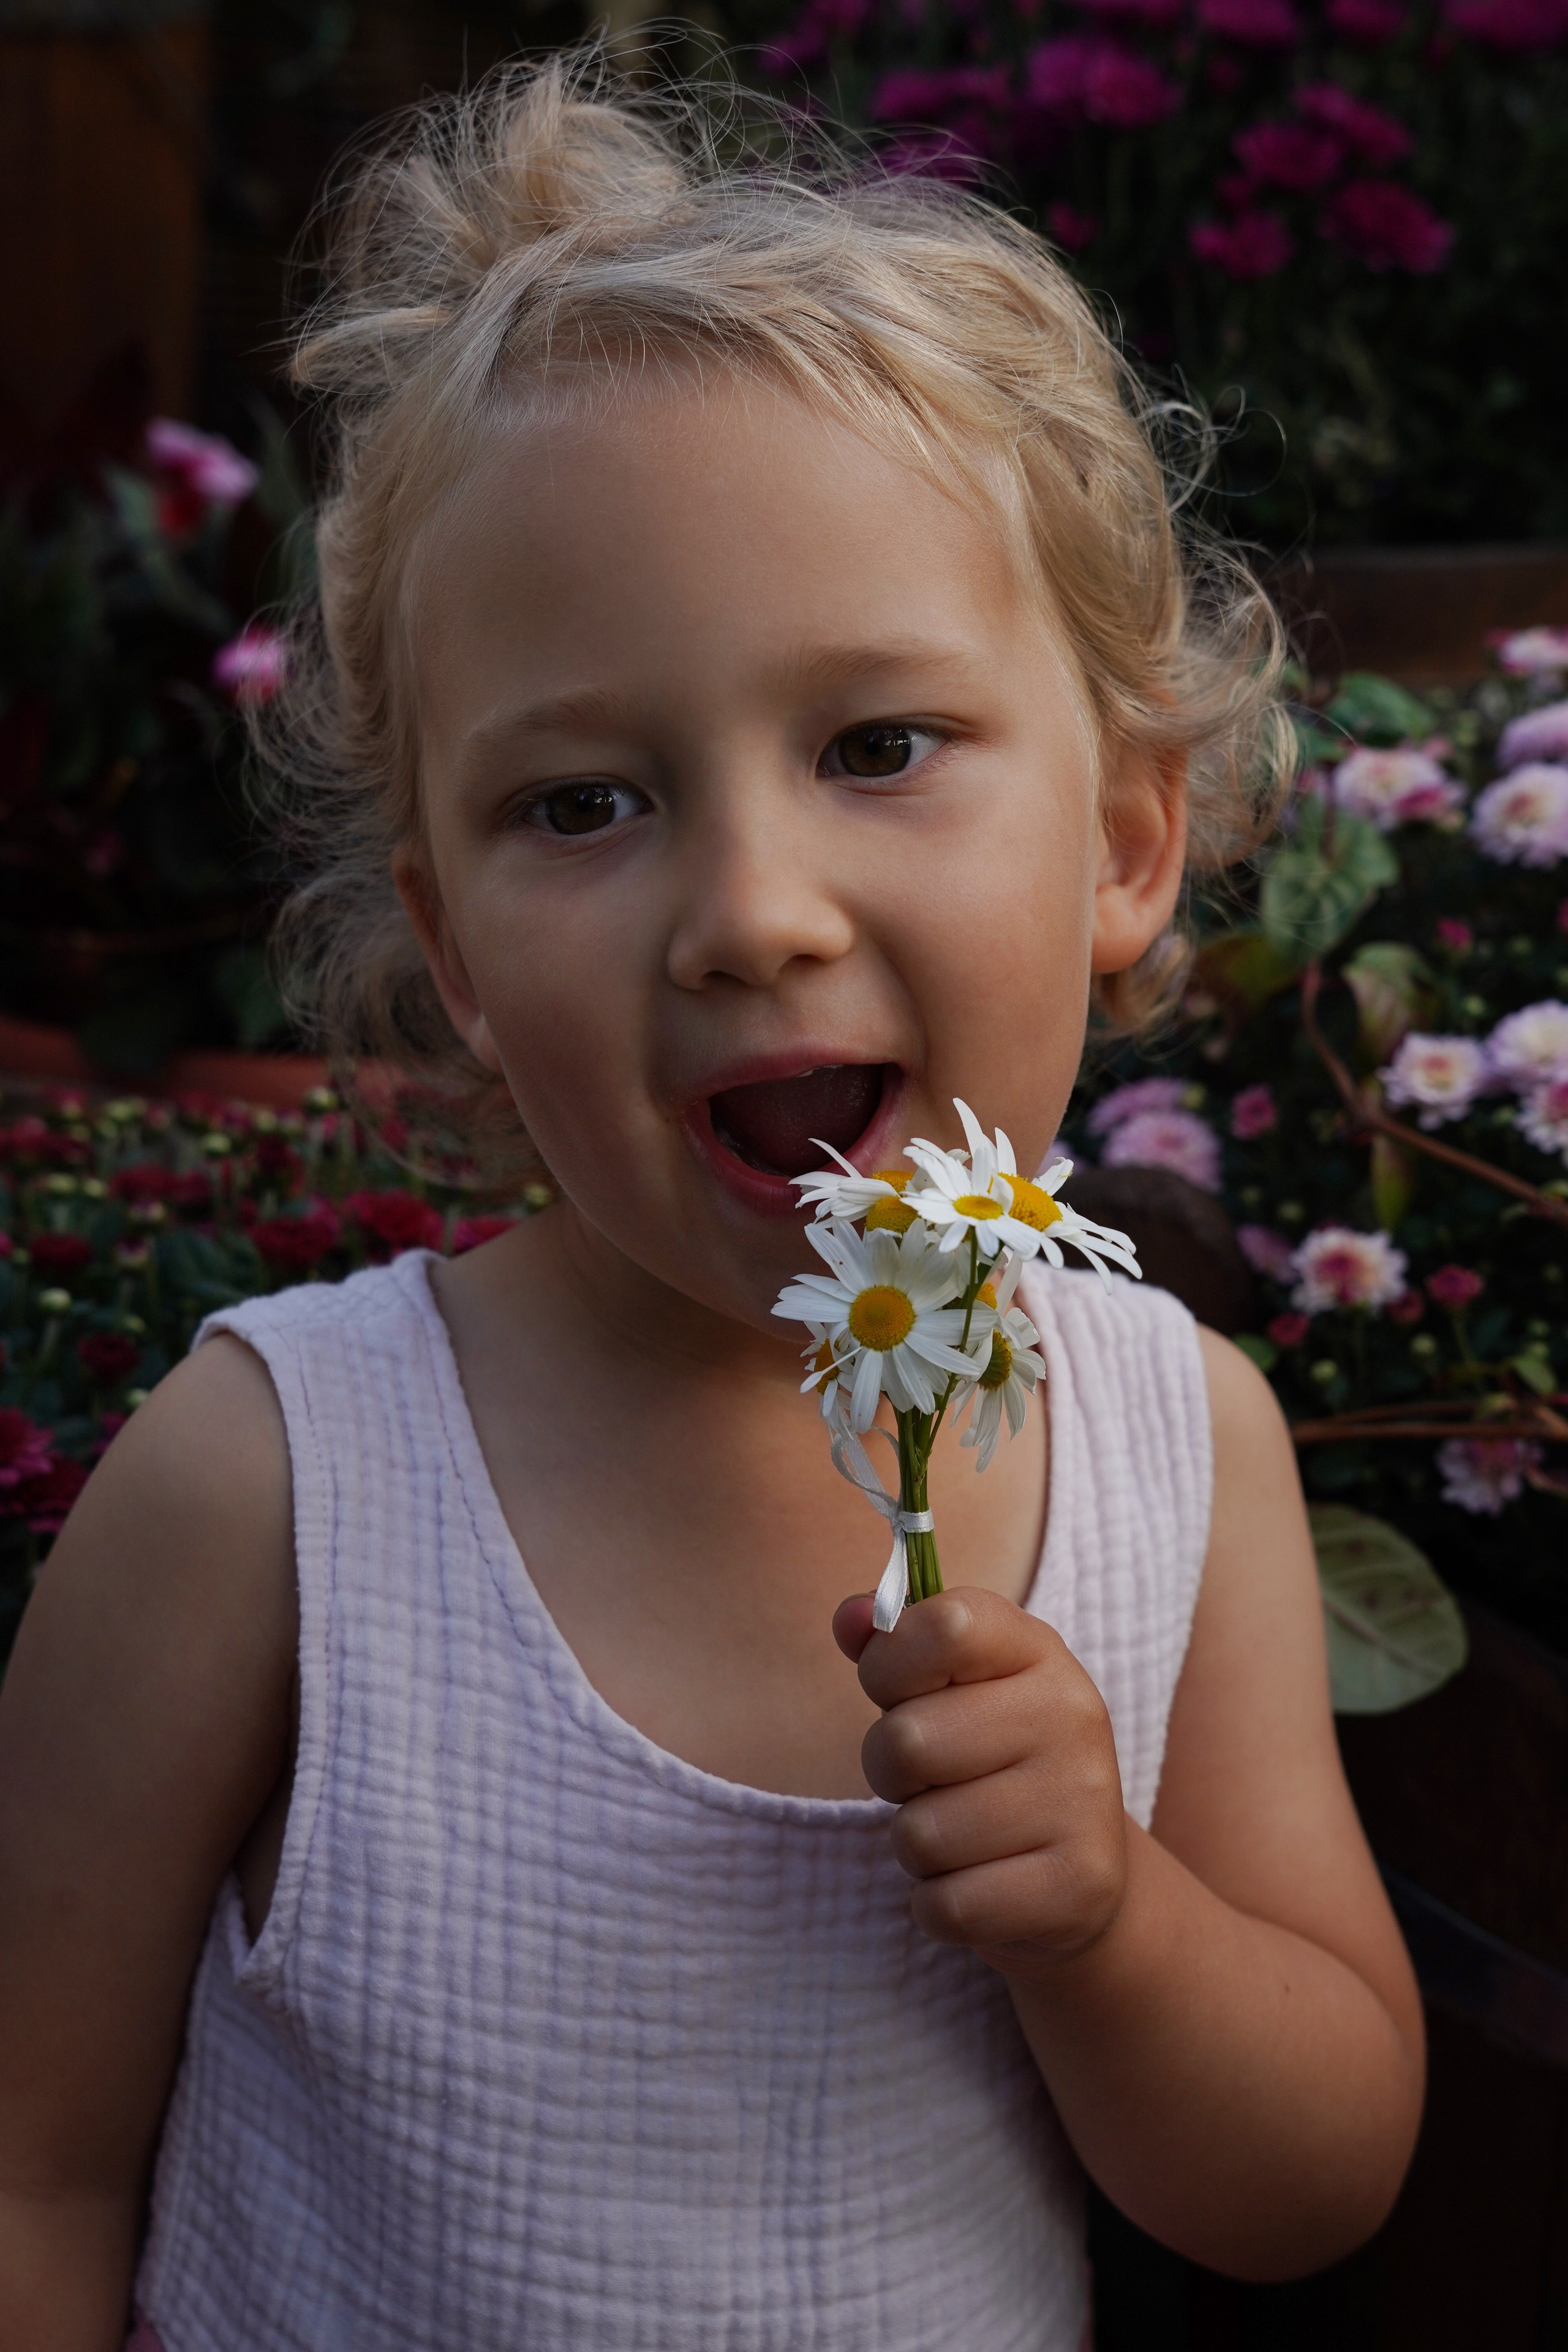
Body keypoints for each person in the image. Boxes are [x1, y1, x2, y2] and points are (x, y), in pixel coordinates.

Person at [0, 49, 1423, 2352]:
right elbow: (31, 2167)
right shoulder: (275, 1486)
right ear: (451, 951)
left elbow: (1316, 2180)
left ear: (1129, 843)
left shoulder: (1179, 1445)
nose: (751, 913)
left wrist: (1110, 1926)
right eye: (582, 803)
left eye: (877, 747)